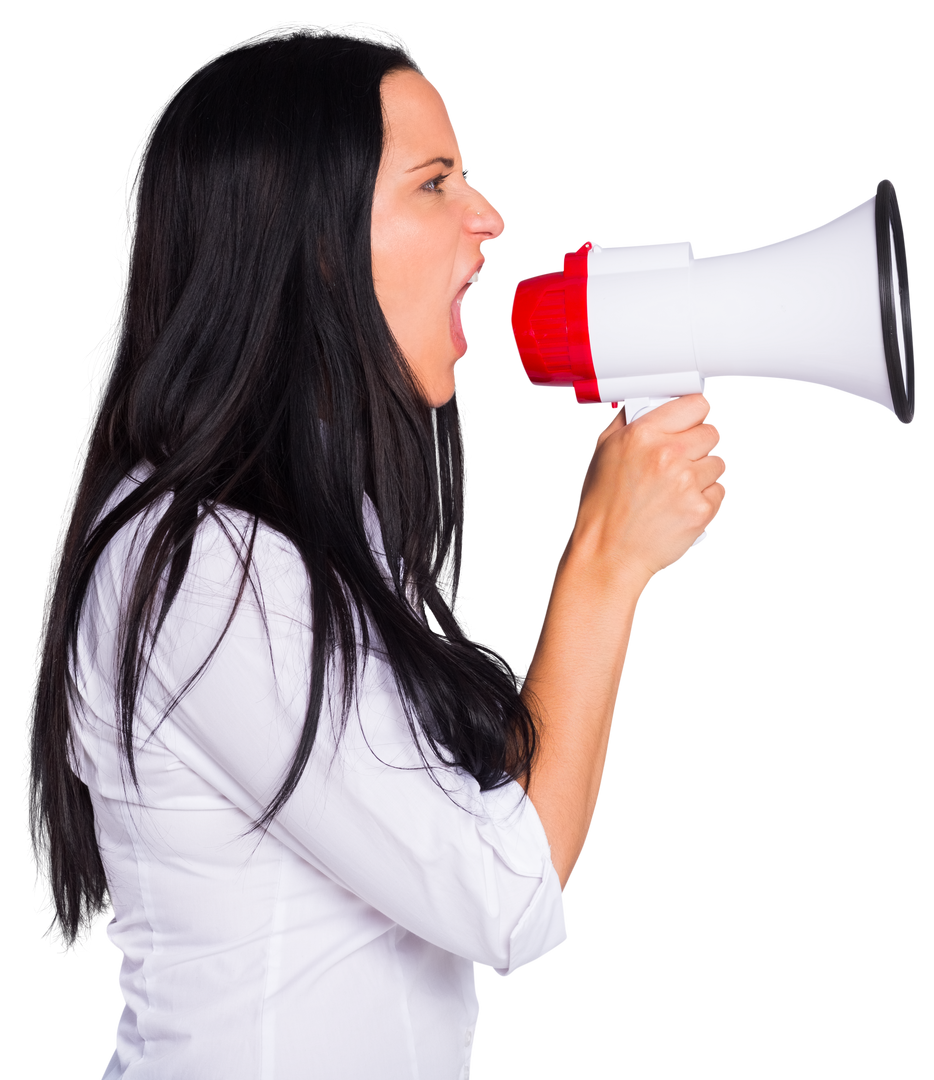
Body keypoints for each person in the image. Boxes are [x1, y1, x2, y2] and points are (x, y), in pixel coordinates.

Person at [20, 19, 727, 1080]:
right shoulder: (204, 569)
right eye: (434, 183)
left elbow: (470, 820)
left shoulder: (317, 531)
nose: (488, 217)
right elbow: (502, 898)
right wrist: (604, 563)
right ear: (312, 240)